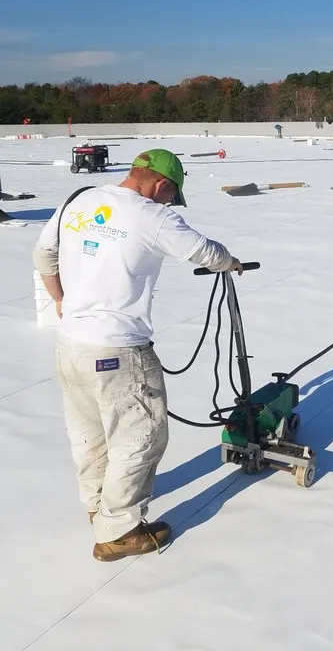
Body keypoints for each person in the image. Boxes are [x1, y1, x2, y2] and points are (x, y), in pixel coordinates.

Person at [33, 149, 243, 562]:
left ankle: (98, 505)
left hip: (71, 344)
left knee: (89, 432)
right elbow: (204, 252)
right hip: (119, 350)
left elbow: (43, 255)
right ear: (162, 185)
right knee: (141, 435)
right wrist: (230, 261)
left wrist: (61, 300)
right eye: (170, 195)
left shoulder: (80, 200)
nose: (167, 203)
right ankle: (119, 530)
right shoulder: (154, 216)